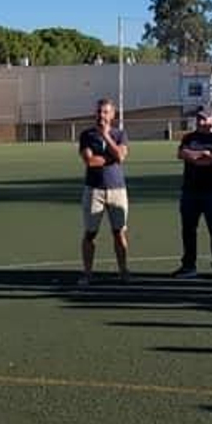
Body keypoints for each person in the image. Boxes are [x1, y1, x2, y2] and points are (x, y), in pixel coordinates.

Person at [78, 98, 131, 285]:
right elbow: (90, 162)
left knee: (119, 233)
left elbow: (121, 156)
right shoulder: (86, 135)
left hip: (117, 189)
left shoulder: (120, 134)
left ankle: (123, 271)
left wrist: (107, 136)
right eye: (99, 111)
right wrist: (112, 158)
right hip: (94, 190)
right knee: (90, 233)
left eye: (106, 112)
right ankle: (87, 273)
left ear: (113, 115)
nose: (102, 115)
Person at [173, 106, 212, 280]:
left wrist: (201, 157)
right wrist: (202, 154)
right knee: (188, 230)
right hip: (190, 191)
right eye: (199, 118)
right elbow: (182, 154)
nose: (200, 122)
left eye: (204, 118)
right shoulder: (189, 137)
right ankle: (189, 266)